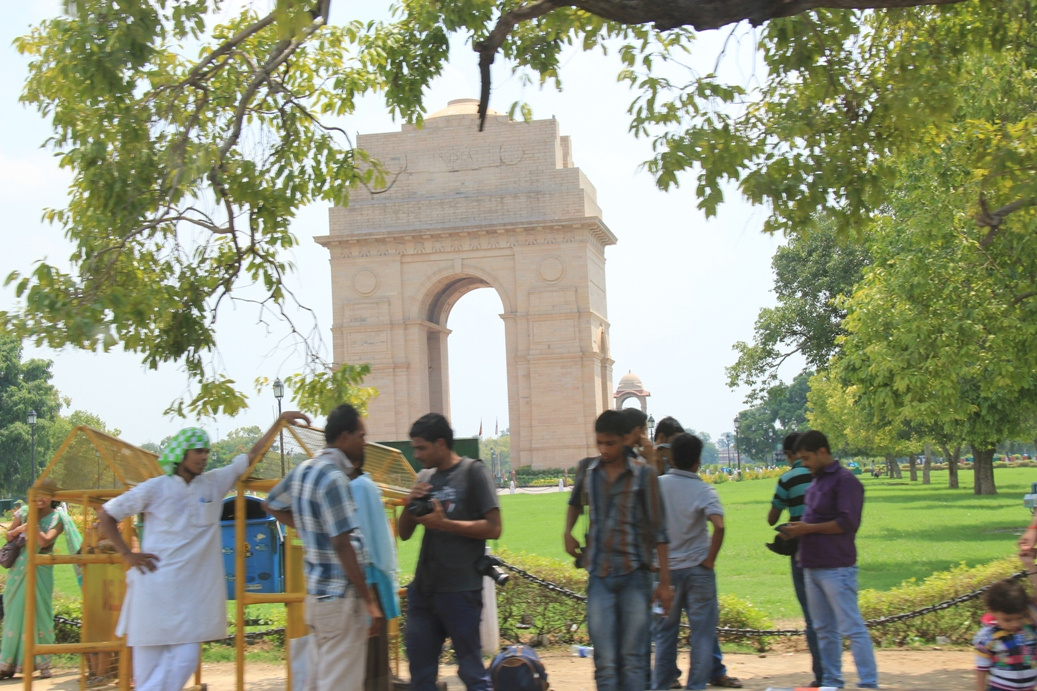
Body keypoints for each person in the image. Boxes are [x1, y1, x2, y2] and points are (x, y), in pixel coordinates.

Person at [98, 411, 309, 691]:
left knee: (186, 658)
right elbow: (107, 514)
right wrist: (127, 554)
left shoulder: (212, 483)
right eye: (198, 451)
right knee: (148, 676)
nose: (204, 456)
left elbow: (249, 458)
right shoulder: (155, 488)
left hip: (190, 600)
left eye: (207, 451)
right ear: (182, 453)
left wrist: (278, 422)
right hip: (152, 595)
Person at [265, 403, 384, 691]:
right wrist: (369, 601)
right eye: (361, 436)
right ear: (344, 437)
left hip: (317, 597)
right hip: (342, 599)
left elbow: (272, 503)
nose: (363, 442)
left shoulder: (305, 470)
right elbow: (342, 544)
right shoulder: (334, 478)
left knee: (319, 683)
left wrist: (308, 525)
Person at [563, 409, 672, 691]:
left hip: (634, 574)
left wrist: (665, 583)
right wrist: (568, 532)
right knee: (605, 661)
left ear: (624, 441)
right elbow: (575, 503)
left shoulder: (644, 475)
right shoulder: (588, 472)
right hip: (599, 575)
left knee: (633, 659)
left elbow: (659, 530)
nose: (604, 449)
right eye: (600, 443)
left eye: (610, 443)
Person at [399, 413, 501, 691]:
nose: (416, 454)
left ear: (441, 443)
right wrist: (411, 500)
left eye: (421, 447)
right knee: (420, 674)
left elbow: (494, 527)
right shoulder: (424, 477)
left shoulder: (472, 472)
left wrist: (446, 524)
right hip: (424, 590)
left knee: (471, 671)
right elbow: (404, 533)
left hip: (460, 590)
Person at [779, 430, 878, 689]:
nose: (804, 464)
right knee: (823, 630)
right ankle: (832, 680)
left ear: (823, 452)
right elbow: (815, 520)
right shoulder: (817, 482)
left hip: (837, 566)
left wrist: (806, 529)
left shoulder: (845, 481)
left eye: (807, 458)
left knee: (852, 628)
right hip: (812, 564)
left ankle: (868, 683)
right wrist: (796, 530)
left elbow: (847, 523)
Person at [652, 433, 725, 691]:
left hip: (665, 572)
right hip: (697, 569)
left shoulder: (657, 486)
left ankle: (660, 685)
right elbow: (719, 525)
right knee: (702, 635)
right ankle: (696, 686)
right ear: (697, 461)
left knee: (665, 635)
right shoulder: (704, 489)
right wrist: (710, 559)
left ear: (671, 458)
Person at [0, 493, 82, 679]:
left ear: (53, 497)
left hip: (41, 571)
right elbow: (9, 535)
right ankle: (8, 664)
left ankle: (41, 662)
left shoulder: (58, 517)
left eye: (46, 495)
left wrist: (33, 524)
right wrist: (18, 529)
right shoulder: (24, 512)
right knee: (14, 613)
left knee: (40, 613)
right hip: (18, 569)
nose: (41, 498)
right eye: (38, 494)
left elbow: (45, 541)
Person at [767, 431, 824, 687]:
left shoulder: (788, 478)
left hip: (801, 549)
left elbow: (772, 517)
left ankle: (821, 674)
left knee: (811, 615)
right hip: (828, 547)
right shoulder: (821, 474)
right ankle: (832, 672)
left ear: (790, 454)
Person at [347, 434, 401, 691]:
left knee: (368, 666)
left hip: (367, 585)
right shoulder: (367, 486)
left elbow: (359, 544)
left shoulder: (356, 488)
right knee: (374, 665)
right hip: (374, 582)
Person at [974, 556, 1037, 691]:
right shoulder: (988, 637)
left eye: (1018, 618)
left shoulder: (1029, 625)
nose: (1015, 624)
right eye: (1007, 620)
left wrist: (1030, 565)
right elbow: (981, 668)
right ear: (993, 612)